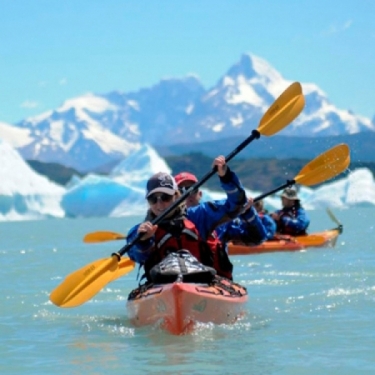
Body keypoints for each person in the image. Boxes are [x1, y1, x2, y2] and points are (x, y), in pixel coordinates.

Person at [126, 156, 251, 282]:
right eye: (153, 199)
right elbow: (137, 256)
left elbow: (237, 204)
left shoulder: (198, 216)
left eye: (165, 197)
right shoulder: (140, 231)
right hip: (163, 286)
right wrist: (143, 241)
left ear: (176, 196)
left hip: (202, 281)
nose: (159, 204)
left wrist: (226, 176)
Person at [174, 171, 267, 246]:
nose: (187, 195)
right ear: (174, 196)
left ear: (200, 194)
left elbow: (257, 238)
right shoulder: (169, 222)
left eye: (192, 189)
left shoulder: (221, 221)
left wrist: (247, 212)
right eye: (181, 190)